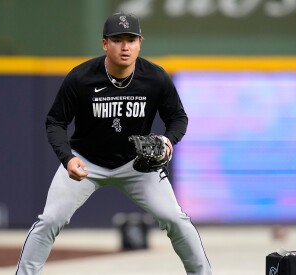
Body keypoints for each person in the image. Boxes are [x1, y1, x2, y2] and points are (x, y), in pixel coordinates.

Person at [15, 12, 212, 275]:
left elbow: (178, 118)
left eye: (131, 39)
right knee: (50, 219)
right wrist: (68, 158)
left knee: (175, 219)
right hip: (85, 162)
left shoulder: (154, 78)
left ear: (140, 42)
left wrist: (168, 140)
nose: (125, 46)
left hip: (137, 165)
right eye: (118, 40)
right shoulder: (81, 78)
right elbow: (55, 122)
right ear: (105, 44)